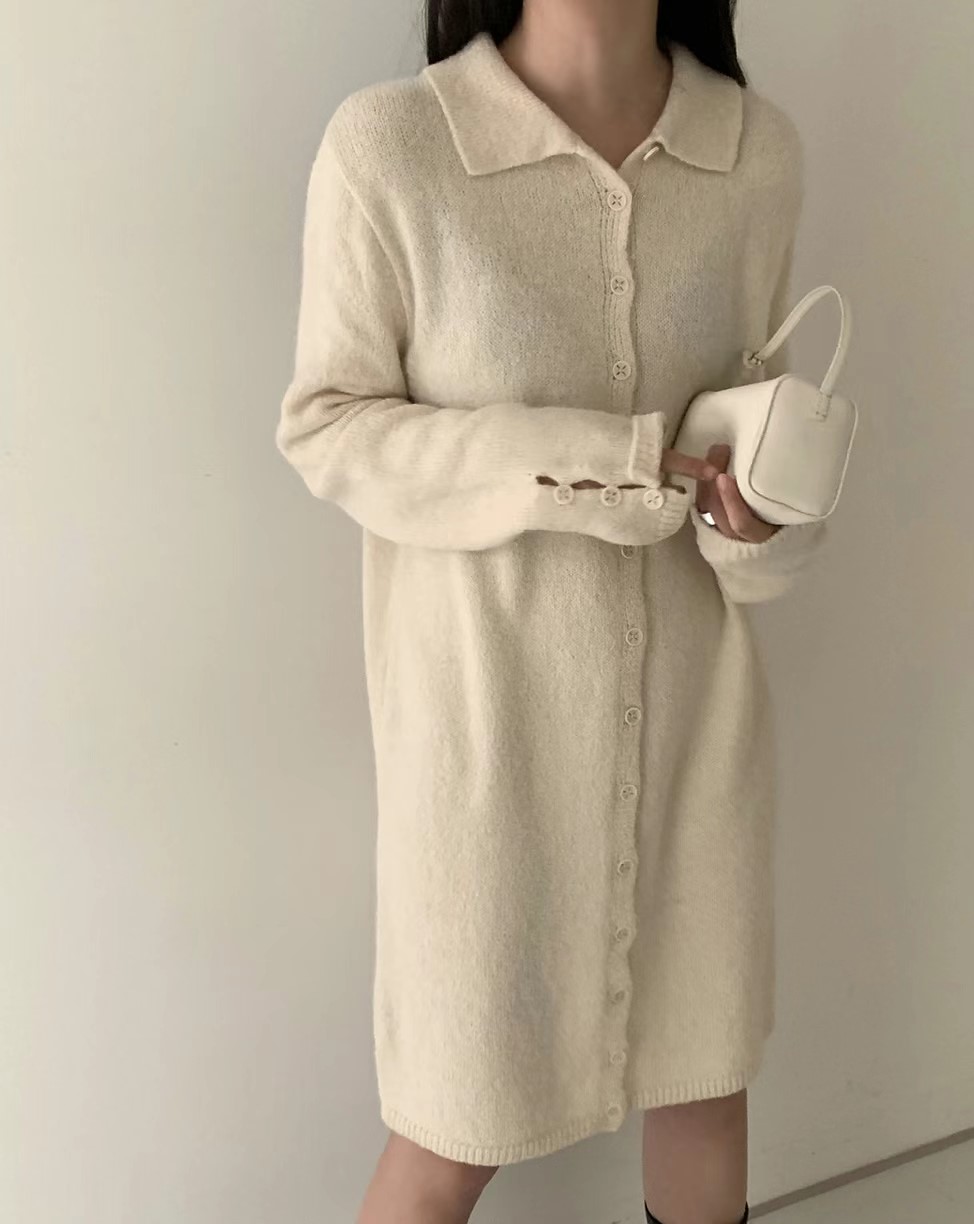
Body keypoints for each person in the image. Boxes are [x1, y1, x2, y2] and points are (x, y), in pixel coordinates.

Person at [276, 1, 829, 1221]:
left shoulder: (754, 154)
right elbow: (330, 428)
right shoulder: (394, 146)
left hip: (698, 739)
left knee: (706, 1090)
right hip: (485, 758)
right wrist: (600, 462)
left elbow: (755, 453)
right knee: (449, 1132)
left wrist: (758, 523)